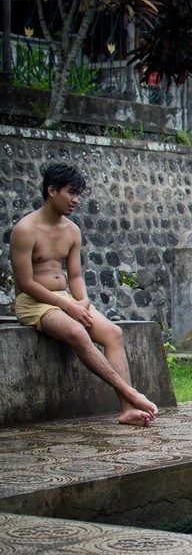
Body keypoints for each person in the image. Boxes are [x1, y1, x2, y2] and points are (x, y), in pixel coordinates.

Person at [9, 163, 159, 426]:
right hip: (33, 302)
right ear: (51, 191)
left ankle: (127, 409)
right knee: (78, 333)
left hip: (65, 299)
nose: (76, 200)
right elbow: (25, 282)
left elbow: (76, 277)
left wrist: (82, 303)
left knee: (113, 333)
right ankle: (131, 393)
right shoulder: (25, 229)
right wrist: (67, 307)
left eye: (79, 194)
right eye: (71, 193)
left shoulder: (72, 230)